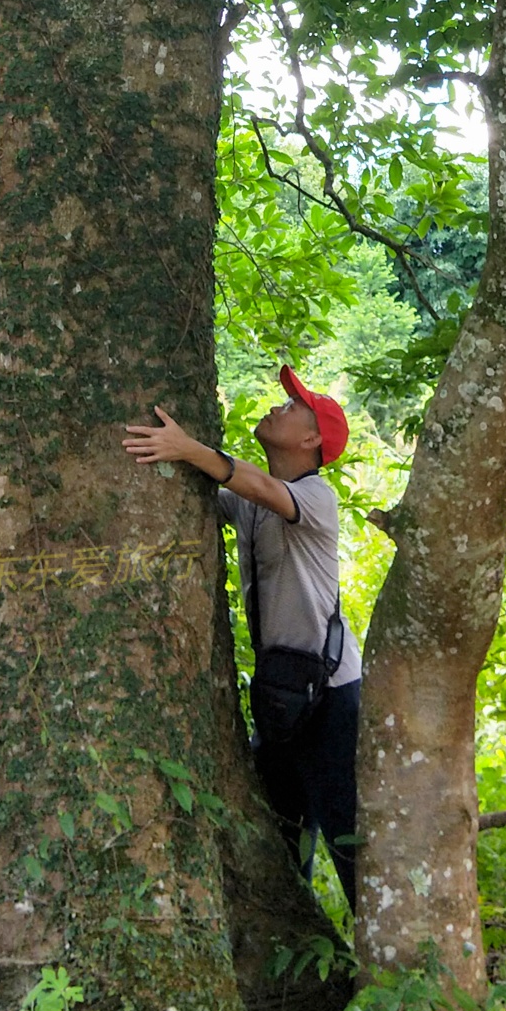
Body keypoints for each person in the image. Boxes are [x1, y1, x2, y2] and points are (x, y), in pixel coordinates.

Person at [122, 367, 360, 909]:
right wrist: (179, 457)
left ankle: (388, 965)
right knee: (279, 829)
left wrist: (187, 446)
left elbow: (252, 483)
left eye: (294, 406)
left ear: (311, 440)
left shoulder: (316, 497)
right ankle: (296, 939)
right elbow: (227, 490)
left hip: (331, 696)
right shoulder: (256, 501)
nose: (280, 406)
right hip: (283, 693)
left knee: (348, 833)